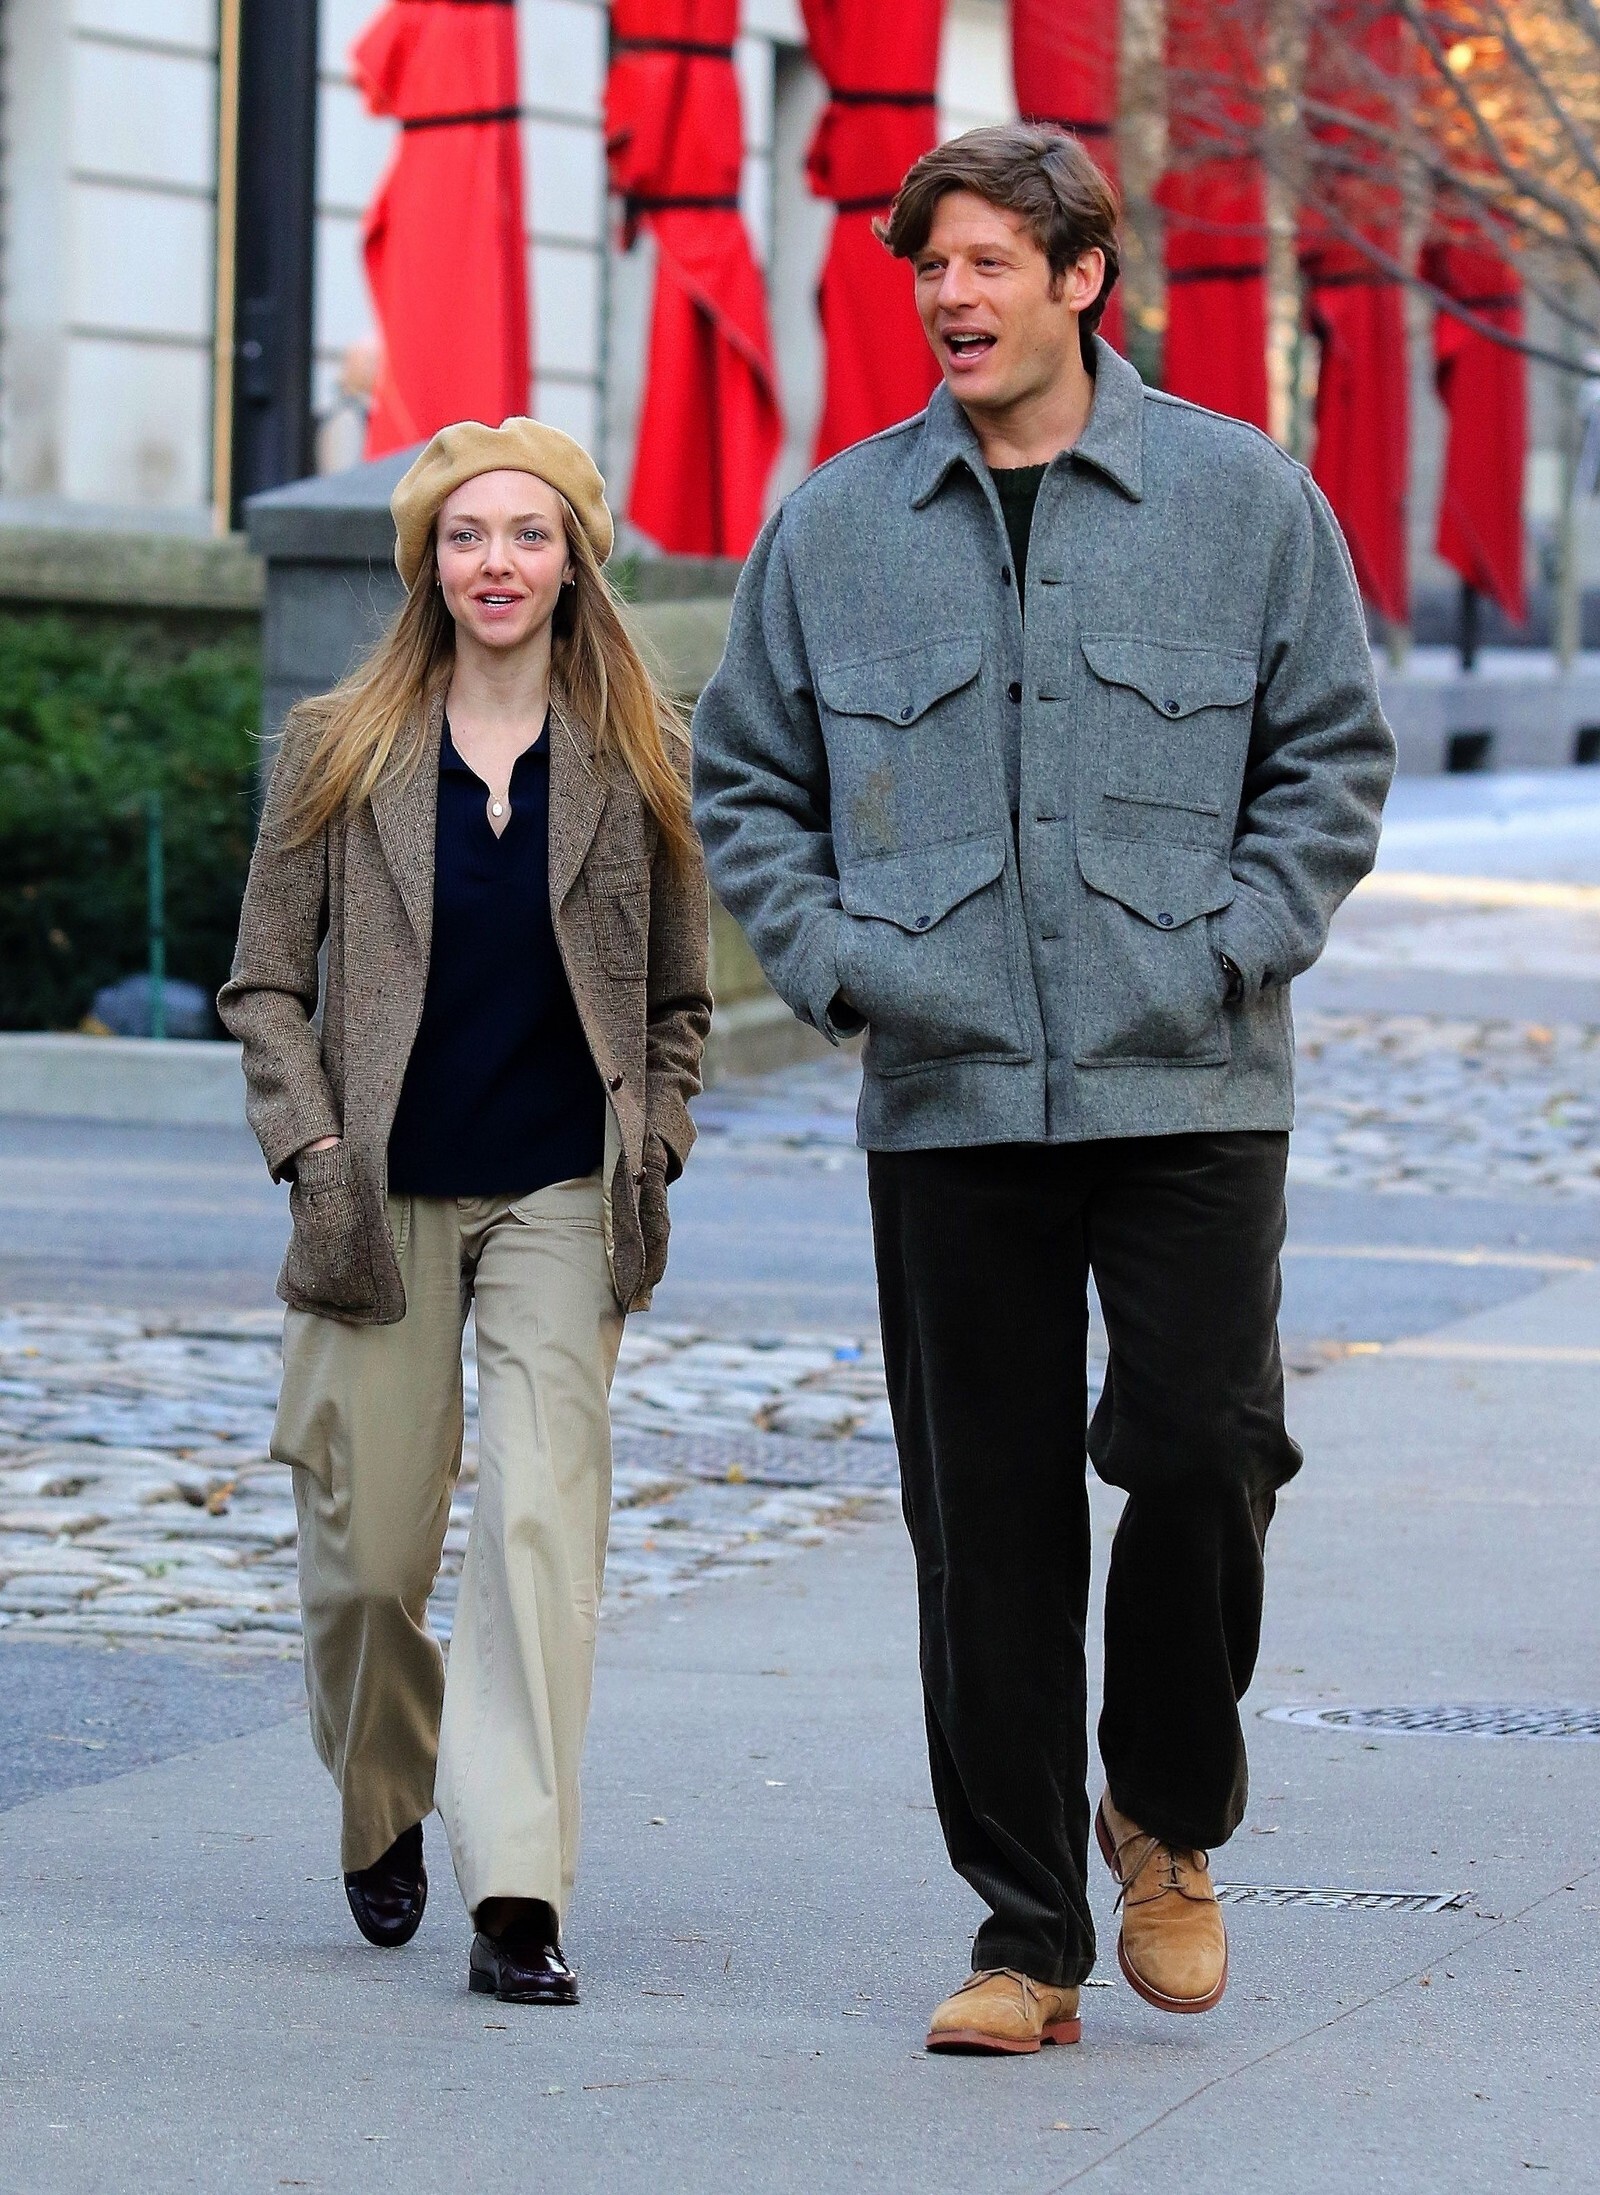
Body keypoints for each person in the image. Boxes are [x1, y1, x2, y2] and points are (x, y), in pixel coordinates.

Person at [692, 125, 1394, 2055]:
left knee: (1207, 1446)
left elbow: (1331, 757)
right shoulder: (838, 525)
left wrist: (1236, 942)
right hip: (949, 1096)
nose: (953, 296)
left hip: (1194, 1081)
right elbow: (743, 777)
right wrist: (843, 967)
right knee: (983, 1518)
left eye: (990, 262)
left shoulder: (1241, 499)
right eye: (932, 267)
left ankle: (1163, 1805)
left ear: (1083, 279)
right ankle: (1026, 1935)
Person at [220, 418, 710, 2005]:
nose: (497, 562)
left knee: (539, 1527)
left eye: (528, 534)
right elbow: (263, 984)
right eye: (466, 536)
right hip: (375, 1201)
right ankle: (384, 1792)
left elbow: (680, 1002)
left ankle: (517, 1889)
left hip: (565, 1190)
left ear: (575, 561)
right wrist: (310, 1147)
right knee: (369, 1559)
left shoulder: (639, 753)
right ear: (427, 563)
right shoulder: (338, 747)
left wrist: (657, 1139)